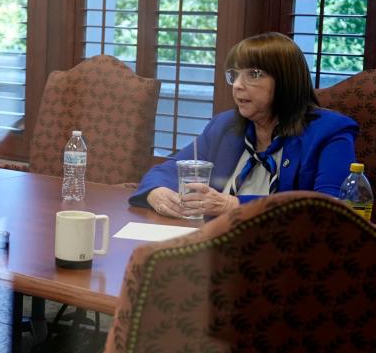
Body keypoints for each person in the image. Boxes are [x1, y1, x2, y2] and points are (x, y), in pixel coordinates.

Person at [130, 32, 358, 218]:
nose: (237, 85)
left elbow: (330, 209)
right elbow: (168, 170)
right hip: (217, 248)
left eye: (254, 74)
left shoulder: (330, 132)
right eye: (234, 75)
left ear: (286, 80)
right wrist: (156, 192)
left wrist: (233, 204)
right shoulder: (225, 125)